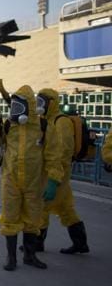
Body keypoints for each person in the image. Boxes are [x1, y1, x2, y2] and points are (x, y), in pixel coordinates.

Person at [0, 85, 63, 271]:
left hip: (35, 182)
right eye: (13, 108)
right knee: (10, 218)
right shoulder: (9, 126)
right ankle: (11, 258)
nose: (15, 112)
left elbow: (53, 155)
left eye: (19, 108)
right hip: (11, 180)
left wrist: (53, 180)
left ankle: (29, 255)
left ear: (30, 107)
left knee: (33, 219)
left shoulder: (43, 127)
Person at [35, 89, 89, 254]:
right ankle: (80, 244)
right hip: (55, 171)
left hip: (58, 172)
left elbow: (64, 149)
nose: (39, 106)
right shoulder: (45, 120)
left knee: (43, 206)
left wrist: (54, 177)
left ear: (51, 103)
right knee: (65, 208)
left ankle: (36, 244)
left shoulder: (61, 121)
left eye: (42, 103)